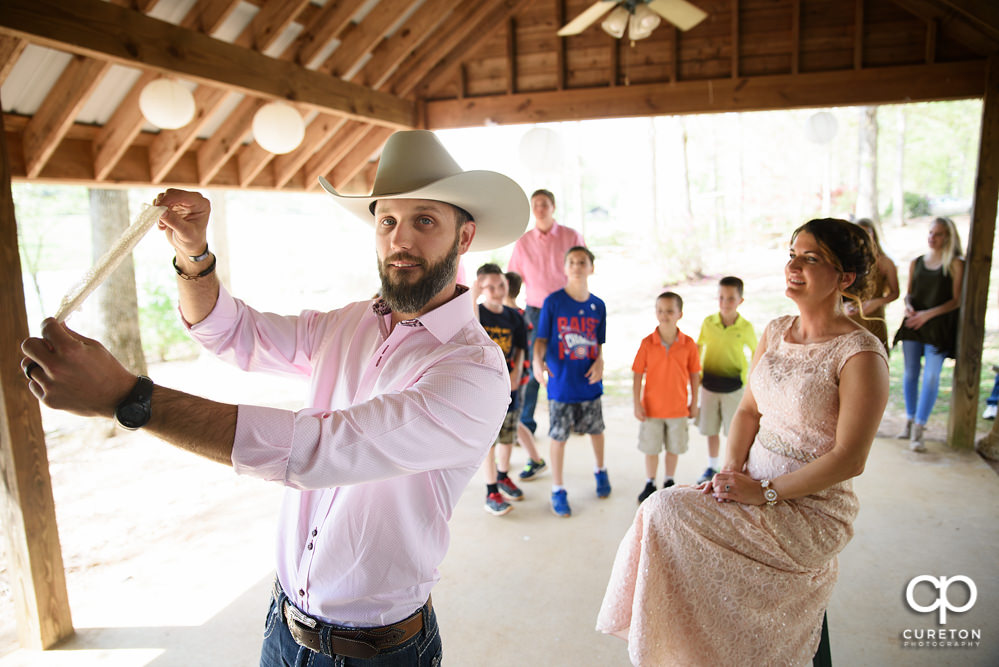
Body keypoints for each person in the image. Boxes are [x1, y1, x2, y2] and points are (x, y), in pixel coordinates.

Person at [20, 130, 529, 666]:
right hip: (283, 627)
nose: (400, 240)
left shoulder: (473, 370)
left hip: (377, 653)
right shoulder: (350, 323)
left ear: (464, 237)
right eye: (387, 221)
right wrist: (194, 255)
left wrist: (128, 397)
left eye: (424, 220)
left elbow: (319, 451)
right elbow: (232, 332)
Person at [596, 218, 889, 665]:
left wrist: (766, 492)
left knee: (662, 508)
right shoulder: (775, 331)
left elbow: (850, 458)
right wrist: (730, 470)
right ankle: (699, 651)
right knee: (663, 517)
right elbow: (749, 411)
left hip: (809, 508)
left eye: (811, 258)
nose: (794, 265)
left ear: (845, 278)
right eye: (792, 254)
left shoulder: (860, 354)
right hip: (749, 479)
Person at [533, 246, 607, 518]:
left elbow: (598, 343)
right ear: (565, 268)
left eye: (583, 262)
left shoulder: (598, 305)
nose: (577, 266)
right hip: (561, 383)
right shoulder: (553, 302)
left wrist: (600, 361)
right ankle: (558, 488)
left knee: (596, 430)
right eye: (572, 262)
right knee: (559, 436)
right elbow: (540, 340)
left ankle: (600, 471)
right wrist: (537, 362)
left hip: (589, 382)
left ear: (591, 267)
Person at [507, 189, 585, 440]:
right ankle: (526, 424)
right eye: (536, 204)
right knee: (532, 367)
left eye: (544, 204)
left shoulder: (571, 236)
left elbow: (583, 269)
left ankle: (570, 419)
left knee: (569, 363)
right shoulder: (523, 241)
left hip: (567, 309)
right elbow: (514, 277)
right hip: (535, 311)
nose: (540, 208)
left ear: (553, 207)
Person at [892, 216, 964, 452]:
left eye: (939, 234)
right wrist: (909, 307)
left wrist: (927, 315)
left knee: (932, 376)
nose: (933, 237)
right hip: (913, 324)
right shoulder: (917, 262)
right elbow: (909, 293)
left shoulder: (954, 263)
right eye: (931, 233)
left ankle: (920, 428)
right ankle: (910, 420)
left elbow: (955, 301)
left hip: (937, 327)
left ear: (948, 237)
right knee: (911, 373)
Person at [633, 291, 701, 504]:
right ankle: (650, 482)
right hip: (651, 409)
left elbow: (694, 375)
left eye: (670, 311)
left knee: (674, 447)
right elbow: (637, 374)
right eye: (660, 311)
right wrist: (637, 403)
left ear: (680, 314)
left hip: (678, 409)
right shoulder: (647, 343)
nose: (664, 315)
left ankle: (669, 481)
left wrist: (694, 402)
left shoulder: (688, 344)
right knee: (651, 448)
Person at [474, 263, 528, 516]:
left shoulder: (515, 316)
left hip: (510, 386)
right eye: (490, 287)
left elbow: (520, 347)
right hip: (485, 389)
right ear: (481, 288)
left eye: (501, 285)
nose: (496, 291)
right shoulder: (477, 315)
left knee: (508, 434)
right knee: (490, 441)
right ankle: (491, 489)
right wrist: (474, 295)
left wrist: (516, 374)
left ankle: (504, 475)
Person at [695, 276, 757, 485]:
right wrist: (696, 374)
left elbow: (757, 352)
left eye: (731, 298)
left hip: (734, 388)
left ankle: (731, 468)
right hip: (709, 386)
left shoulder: (745, 327)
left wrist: (752, 383)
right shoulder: (708, 322)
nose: (725, 302)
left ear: (740, 300)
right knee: (710, 429)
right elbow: (699, 346)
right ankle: (712, 466)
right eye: (721, 297)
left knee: (734, 430)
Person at [504, 270, 548, 479]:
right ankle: (507, 461)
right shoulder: (519, 314)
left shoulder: (517, 317)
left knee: (511, 420)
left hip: (515, 378)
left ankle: (535, 459)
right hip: (511, 377)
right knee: (509, 420)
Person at [844, 218, 900, 352]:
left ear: (873, 234)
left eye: (867, 232)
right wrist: (844, 306)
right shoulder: (846, 262)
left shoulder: (885, 262)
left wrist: (877, 302)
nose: (863, 237)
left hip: (874, 316)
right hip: (850, 317)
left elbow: (895, 293)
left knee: (876, 354)